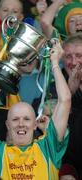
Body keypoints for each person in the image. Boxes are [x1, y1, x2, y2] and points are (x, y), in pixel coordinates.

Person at [0, 41, 71, 179]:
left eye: (27, 119)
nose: (21, 123)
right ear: (7, 125)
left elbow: (65, 100)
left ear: (35, 125)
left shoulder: (49, 147)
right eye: (15, 119)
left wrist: (55, 63)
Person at [60, 33, 82, 179]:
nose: (73, 62)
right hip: (69, 164)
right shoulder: (53, 86)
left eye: (79, 55)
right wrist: (68, 93)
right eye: (68, 56)